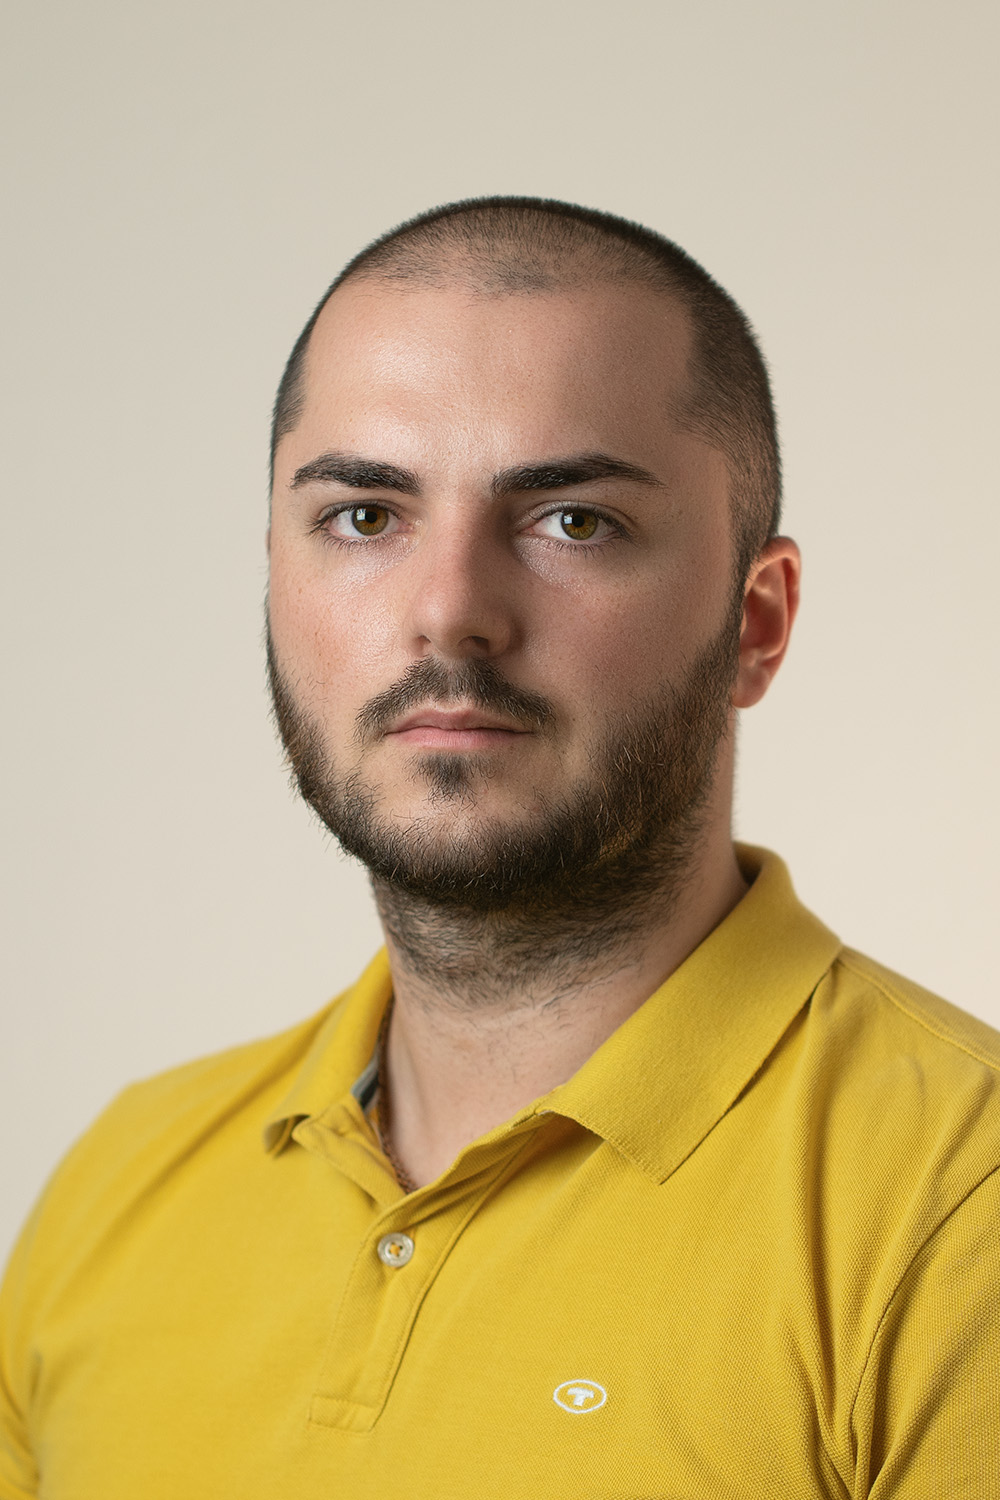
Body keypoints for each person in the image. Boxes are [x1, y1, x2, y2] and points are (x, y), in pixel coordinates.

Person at [1, 197, 997, 1500]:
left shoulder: (955, 1209)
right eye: (365, 516)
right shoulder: (116, 1191)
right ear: (275, 579)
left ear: (756, 622)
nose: (450, 612)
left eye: (573, 520)